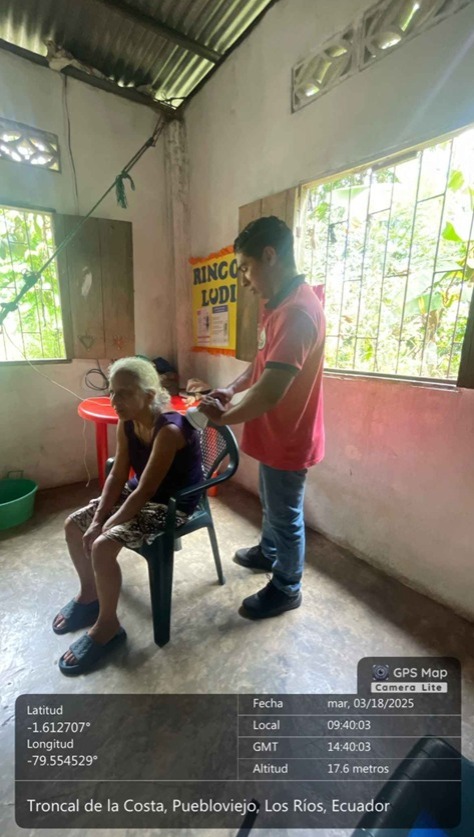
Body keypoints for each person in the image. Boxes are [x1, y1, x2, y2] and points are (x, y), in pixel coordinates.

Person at [200, 216, 325, 620]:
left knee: (285, 514)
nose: (244, 280)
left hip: (290, 436)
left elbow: (270, 391)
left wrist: (221, 419)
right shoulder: (279, 306)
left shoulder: (298, 313)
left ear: (269, 256)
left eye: (245, 267)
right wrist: (230, 390)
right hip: (274, 432)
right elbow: (261, 366)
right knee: (272, 502)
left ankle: (287, 586)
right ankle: (269, 551)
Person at [53, 357, 203, 675]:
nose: (114, 400)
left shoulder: (170, 430)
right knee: (73, 526)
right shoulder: (128, 421)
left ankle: (108, 626)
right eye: (112, 392)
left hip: (170, 504)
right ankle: (89, 596)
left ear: (149, 395)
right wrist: (97, 520)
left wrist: (106, 526)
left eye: (124, 393)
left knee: (102, 546)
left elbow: (146, 491)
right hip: (140, 493)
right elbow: (118, 474)